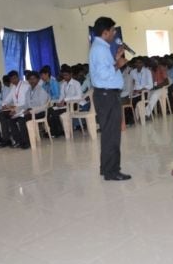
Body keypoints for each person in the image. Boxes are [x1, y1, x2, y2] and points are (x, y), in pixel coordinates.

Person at [89, 16, 131, 181]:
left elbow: (105, 69)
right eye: (113, 30)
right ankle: (111, 171)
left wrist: (116, 57)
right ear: (105, 32)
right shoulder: (100, 49)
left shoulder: (101, 47)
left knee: (109, 133)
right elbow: (104, 74)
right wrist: (118, 64)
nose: (114, 33)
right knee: (112, 134)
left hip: (106, 94)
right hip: (107, 95)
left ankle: (106, 168)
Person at [8, 71, 49, 149]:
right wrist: (15, 110)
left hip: (39, 112)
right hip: (29, 112)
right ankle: (18, 141)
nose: (32, 81)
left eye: (34, 79)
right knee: (12, 120)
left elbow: (43, 106)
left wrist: (30, 110)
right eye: (30, 79)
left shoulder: (42, 90)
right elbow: (25, 105)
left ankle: (27, 142)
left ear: (38, 79)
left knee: (22, 120)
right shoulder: (28, 91)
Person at [47, 65, 83, 137]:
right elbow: (61, 96)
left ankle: (58, 131)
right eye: (63, 75)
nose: (65, 77)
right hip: (65, 105)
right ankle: (54, 131)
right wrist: (59, 102)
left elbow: (79, 96)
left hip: (74, 104)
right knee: (50, 110)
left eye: (66, 75)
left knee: (54, 112)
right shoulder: (63, 84)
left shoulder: (76, 83)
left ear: (71, 74)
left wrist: (65, 100)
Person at [0, 70, 30, 148]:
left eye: (14, 78)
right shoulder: (13, 88)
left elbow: (26, 103)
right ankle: (13, 140)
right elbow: (8, 98)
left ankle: (26, 142)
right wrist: (4, 104)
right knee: (2, 115)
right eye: (11, 79)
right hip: (16, 108)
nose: (13, 80)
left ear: (17, 77)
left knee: (19, 120)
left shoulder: (25, 86)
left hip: (24, 109)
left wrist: (15, 110)